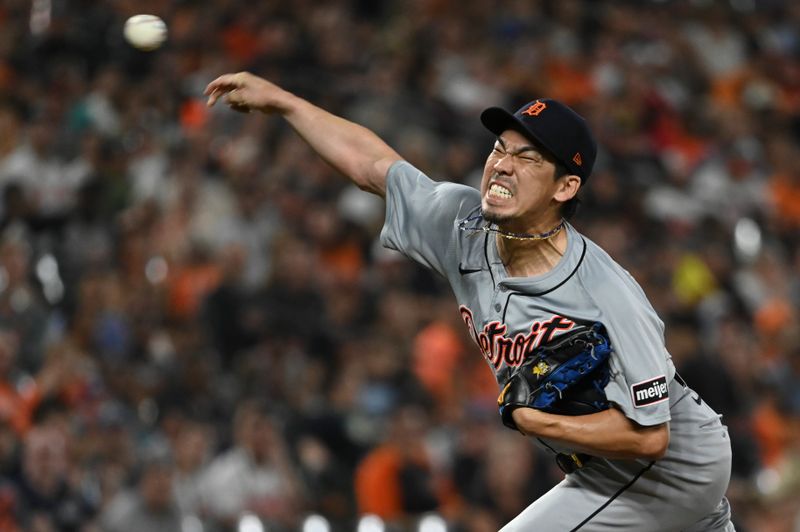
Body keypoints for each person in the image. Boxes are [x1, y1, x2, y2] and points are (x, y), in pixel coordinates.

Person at [205, 72, 735, 531]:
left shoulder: (607, 291)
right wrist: (287, 103)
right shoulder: (462, 225)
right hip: (612, 466)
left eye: (527, 158)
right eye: (500, 148)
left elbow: (651, 437)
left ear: (566, 186)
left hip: (670, 466)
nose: (502, 164)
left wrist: (538, 423)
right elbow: (374, 166)